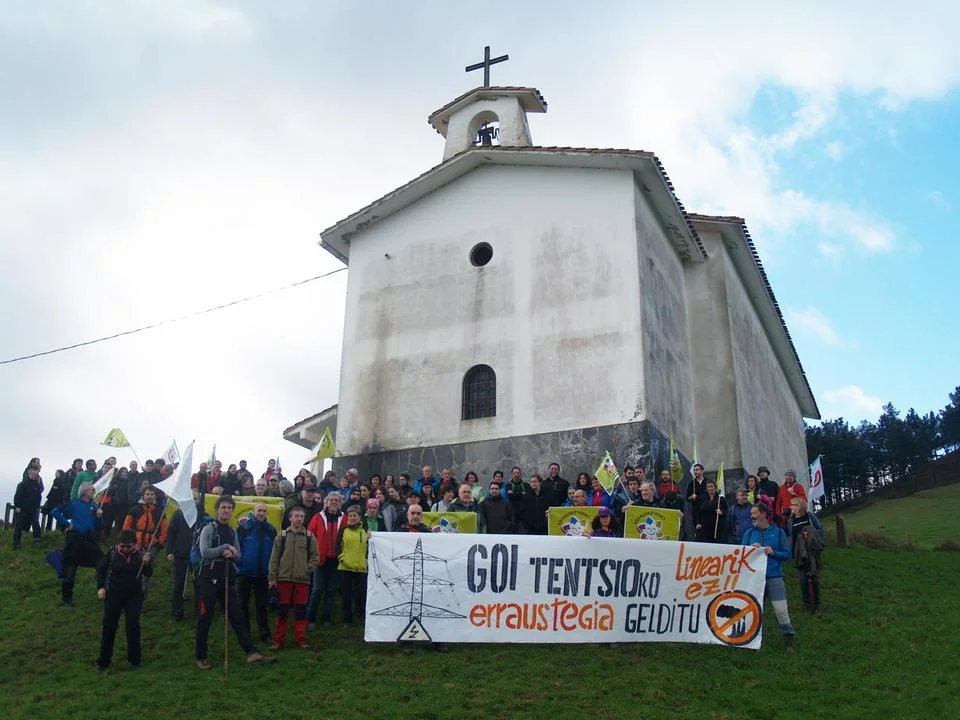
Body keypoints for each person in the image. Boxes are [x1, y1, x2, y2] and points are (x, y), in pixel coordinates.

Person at [194, 495, 274, 669]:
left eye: (229, 508)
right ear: (217, 509)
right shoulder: (209, 529)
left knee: (237, 616)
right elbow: (205, 552)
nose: (226, 510)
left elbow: (238, 555)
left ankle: (251, 653)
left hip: (226, 577)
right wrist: (224, 548)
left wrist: (233, 554)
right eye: (223, 507)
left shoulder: (232, 531)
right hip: (208, 578)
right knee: (205, 618)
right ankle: (201, 656)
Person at [742, 502, 795, 652]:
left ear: (764, 514)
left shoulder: (778, 532)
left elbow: (788, 554)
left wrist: (774, 553)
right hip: (755, 578)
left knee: (781, 610)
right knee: (756, 610)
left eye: (755, 513)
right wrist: (750, 550)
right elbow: (741, 554)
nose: (752, 516)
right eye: (751, 514)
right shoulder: (749, 533)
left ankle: (788, 638)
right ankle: (756, 640)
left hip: (774, 577)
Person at [95, 529, 151, 672]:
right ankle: (104, 661)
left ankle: (135, 660)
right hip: (114, 593)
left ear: (135, 544)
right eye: (123, 546)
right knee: (109, 626)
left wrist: (146, 563)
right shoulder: (112, 553)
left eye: (128, 546)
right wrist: (100, 587)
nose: (125, 549)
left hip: (134, 595)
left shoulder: (140, 554)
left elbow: (149, 573)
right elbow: (101, 569)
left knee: (133, 626)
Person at [268, 506, 319, 650]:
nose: (299, 519)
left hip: (302, 580)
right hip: (283, 579)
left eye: (301, 517)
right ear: (290, 518)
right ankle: (278, 641)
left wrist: (307, 570)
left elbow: (315, 557)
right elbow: (274, 559)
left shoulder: (309, 536)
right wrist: (272, 578)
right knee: (282, 611)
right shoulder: (282, 536)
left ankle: (301, 639)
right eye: (296, 516)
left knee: (301, 611)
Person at [52, 483, 104, 606]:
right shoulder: (74, 503)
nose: (94, 491)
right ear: (84, 491)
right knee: (70, 569)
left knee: (102, 564)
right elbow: (55, 512)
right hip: (75, 539)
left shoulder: (94, 505)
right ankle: (67, 598)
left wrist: (99, 516)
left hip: (90, 540)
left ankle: (102, 591)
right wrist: (67, 524)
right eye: (92, 489)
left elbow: (99, 526)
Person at [236, 502, 277, 642]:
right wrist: (239, 562)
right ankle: (245, 634)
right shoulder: (244, 528)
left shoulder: (271, 529)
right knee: (242, 604)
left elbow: (275, 550)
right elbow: (237, 546)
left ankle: (264, 633)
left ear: (267, 513)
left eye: (264, 511)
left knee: (262, 605)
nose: (261, 513)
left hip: (263, 573)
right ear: (254, 512)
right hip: (244, 572)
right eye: (259, 510)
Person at [306, 492, 345, 628]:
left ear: (340, 503)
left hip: (336, 561)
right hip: (321, 560)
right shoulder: (318, 517)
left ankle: (326, 618)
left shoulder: (344, 518)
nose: (334, 502)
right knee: (317, 590)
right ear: (326, 502)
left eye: (337, 500)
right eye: (331, 500)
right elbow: (310, 535)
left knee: (331, 591)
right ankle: (310, 618)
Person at [165, 489, 204, 621]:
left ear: (199, 501)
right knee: (179, 584)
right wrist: (169, 551)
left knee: (199, 584)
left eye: (196, 498)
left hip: (198, 556)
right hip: (181, 554)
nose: (193, 501)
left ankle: (199, 613)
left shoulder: (202, 515)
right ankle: (177, 612)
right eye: (191, 498)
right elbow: (171, 532)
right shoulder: (179, 513)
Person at [788, 497, 824, 612]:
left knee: (814, 576)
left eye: (792, 505)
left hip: (811, 550)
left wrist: (814, 538)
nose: (790, 507)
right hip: (799, 551)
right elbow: (790, 535)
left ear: (798, 506)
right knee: (803, 578)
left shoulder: (809, 516)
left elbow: (819, 528)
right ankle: (806, 602)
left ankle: (817, 602)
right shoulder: (791, 520)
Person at [336, 505, 369, 626]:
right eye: (350, 516)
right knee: (346, 595)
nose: (352, 518)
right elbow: (337, 546)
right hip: (345, 567)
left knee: (361, 594)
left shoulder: (366, 531)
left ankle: (361, 616)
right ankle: (347, 620)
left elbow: (370, 547)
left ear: (359, 517)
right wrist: (342, 559)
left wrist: (366, 560)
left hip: (361, 568)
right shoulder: (343, 530)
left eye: (354, 515)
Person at [13, 467, 44, 548]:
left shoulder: (37, 485)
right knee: (19, 525)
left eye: (36, 474)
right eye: (33, 474)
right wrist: (17, 506)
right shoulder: (22, 484)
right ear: (29, 474)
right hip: (23, 508)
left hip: (33, 508)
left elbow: (39, 496)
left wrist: (37, 506)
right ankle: (16, 542)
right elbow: (17, 496)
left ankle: (37, 539)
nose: (35, 476)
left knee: (35, 523)